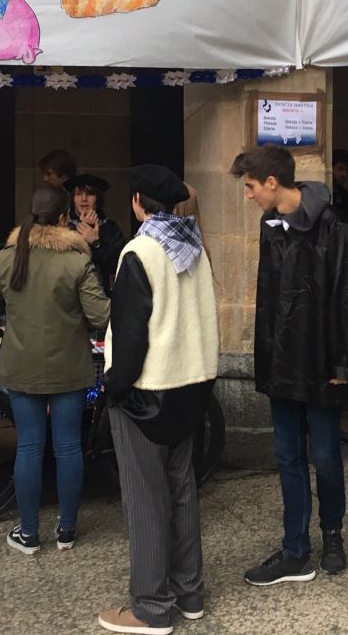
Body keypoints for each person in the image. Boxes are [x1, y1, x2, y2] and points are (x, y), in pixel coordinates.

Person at [231, 146, 348, 585]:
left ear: (272, 182)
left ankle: (333, 535)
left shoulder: (334, 229)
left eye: (251, 186)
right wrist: (266, 361)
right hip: (283, 362)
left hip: (322, 360)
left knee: (325, 455)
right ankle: (295, 549)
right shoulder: (271, 227)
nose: (248, 195)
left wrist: (344, 363)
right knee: (287, 456)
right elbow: (271, 301)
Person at [97, 165, 220, 635]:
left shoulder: (140, 250)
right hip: (191, 385)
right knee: (182, 489)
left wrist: (112, 386)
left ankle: (150, 606)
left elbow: (130, 335)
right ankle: (189, 593)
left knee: (145, 498)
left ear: (136, 201)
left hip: (147, 391)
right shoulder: (194, 247)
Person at [0, 185, 111, 553]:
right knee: (68, 448)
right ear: (65, 218)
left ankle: (29, 533)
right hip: (70, 368)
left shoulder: (7, 259)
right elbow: (101, 315)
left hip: (21, 369)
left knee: (29, 448)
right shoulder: (77, 260)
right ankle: (67, 530)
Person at [67, 173, 127, 295]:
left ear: (98, 199)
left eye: (89, 194)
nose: (84, 199)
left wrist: (96, 243)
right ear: (73, 199)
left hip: (100, 295)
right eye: (78, 194)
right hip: (69, 295)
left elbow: (117, 265)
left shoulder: (110, 227)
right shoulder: (64, 227)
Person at [331, 149, 348, 223]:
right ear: (331, 168)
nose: (344, 174)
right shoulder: (320, 191)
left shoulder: (344, 195)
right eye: (340, 169)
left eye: (346, 170)